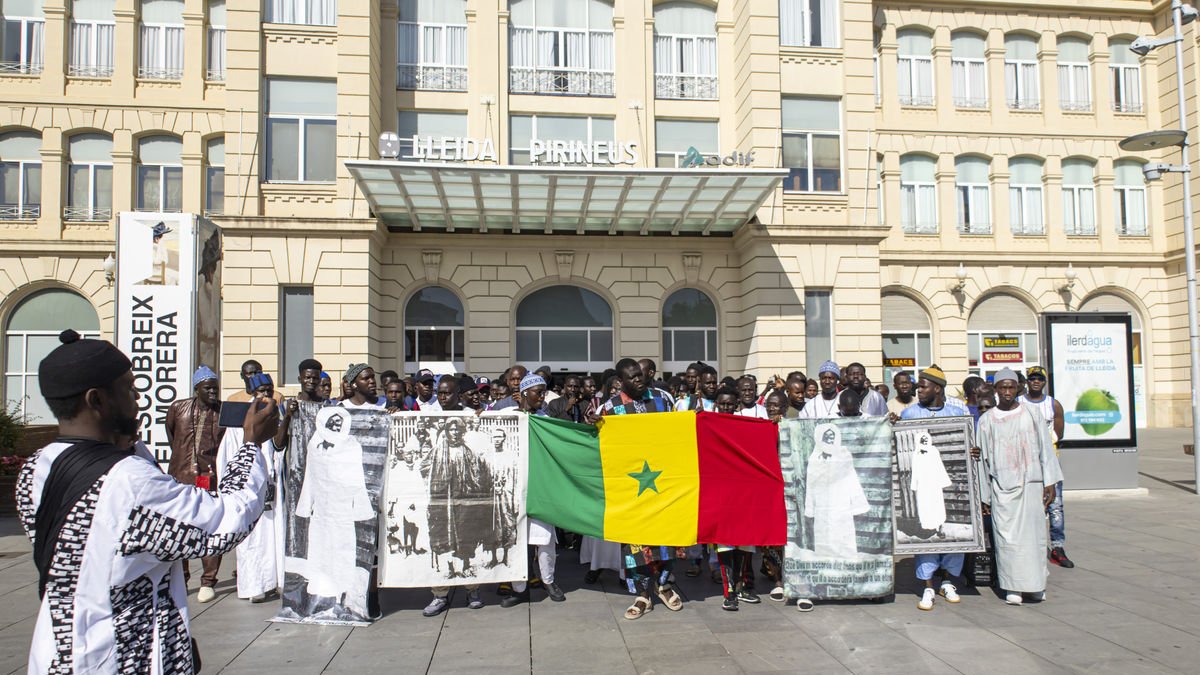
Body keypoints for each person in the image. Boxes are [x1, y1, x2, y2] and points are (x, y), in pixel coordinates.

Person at [17, 330, 278, 673]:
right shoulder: (129, 484)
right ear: (96, 400)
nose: (138, 397)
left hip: (58, 650)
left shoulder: (37, 467)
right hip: (118, 656)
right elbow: (227, 520)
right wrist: (251, 443)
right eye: (128, 388)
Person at [600, 359, 685, 620]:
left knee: (666, 537)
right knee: (634, 542)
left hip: (662, 482)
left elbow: (679, 434)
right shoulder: (609, 408)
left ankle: (664, 585)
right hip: (630, 487)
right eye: (632, 377)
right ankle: (642, 594)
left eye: (640, 375)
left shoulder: (663, 399)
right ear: (620, 382)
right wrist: (594, 425)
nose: (639, 380)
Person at [976, 368, 1063, 606]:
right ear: (995, 390)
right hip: (1002, 489)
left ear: (1017, 389)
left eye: (1010, 387)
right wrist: (984, 495)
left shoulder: (1032, 413)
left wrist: (1050, 482)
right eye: (1002, 387)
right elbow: (981, 460)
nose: (1006, 392)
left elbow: (1045, 448)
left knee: (1034, 539)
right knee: (1007, 541)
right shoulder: (986, 420)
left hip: (1031, 485)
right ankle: (1012, 587)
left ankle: (1035, 587)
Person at [900, 365, 971, 611]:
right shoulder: (909, 414)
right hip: (923, 485)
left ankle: (949, 581)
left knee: (951, 531)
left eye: (923, 385)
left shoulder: (957, 411)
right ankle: (928, 585)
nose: (918, 389)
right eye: (918, 385)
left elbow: (966, 444)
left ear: (937, 389)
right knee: (927, 529)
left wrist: (972, 450)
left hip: (947, 482)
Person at [217, 373, 286, 603]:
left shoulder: (277, 413)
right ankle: (254, 585)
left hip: (274, 486)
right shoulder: (241, 418)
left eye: (270, 389)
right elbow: (228, 455)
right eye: (262, 390)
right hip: (248, 486)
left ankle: (278, 581)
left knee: (276, 534)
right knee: (253, 538)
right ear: (253, 393)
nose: (267, 394)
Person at [503, 374, 567, 606]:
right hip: (513, 489)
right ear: (524, 393)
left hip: (541, 486)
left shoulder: (546, 419)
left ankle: (548, 580)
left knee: (545, 539)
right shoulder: (507, 416)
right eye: (538, 392)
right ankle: (519, 588)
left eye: (544, 392)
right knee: (516, 539)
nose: (542, 396)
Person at [164, 366, 226, 603]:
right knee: (182, 530)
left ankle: (208, 580)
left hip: (210, 478)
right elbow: (172, 435)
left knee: (210, 530)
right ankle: (182, 577)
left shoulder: (223, 412)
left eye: (215, 388)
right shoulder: (178, 408)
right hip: (181, 478)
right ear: (196, 389)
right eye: (208, 388)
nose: (212, 393)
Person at [422, 416, 491, 615]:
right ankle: (440, 594)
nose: (454, 433)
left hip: (464, 504)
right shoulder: (437, 450)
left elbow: (478, 474)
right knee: (442, 538)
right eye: (451, 430)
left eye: (457, 430)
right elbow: (424, 468)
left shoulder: (467, 451)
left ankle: (472, 590)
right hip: (442, 504)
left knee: (466, 539)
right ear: (446, 431)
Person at [1019, 365, 1073, 569]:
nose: (1035, 381)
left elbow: (1059, 434)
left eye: (1039, 379)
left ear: (1044, 382)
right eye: (1032, 378)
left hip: (1049, 461)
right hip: (1025, 460)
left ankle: (1057, 547)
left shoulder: (1053, 404)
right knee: (1028, 503)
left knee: (1055, 505)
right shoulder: (1019, 403)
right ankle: (1033, 545)